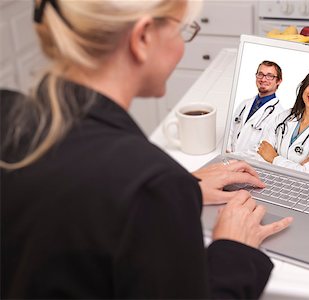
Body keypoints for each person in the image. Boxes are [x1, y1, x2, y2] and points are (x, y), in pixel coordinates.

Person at [0, 0, 292, 298]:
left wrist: (179, 190)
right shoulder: (152, 184)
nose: (181, 46)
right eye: (181, 31)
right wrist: (234, 250)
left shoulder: (6, 113)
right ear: (142, 37)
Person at [257, 64, 309, 179]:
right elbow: (260, 153)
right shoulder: (284, 117)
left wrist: (274, 158)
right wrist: (298, 167)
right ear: (304, 86)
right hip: (270, 185)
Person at [228, 60, 284, 154]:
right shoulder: (244, 104)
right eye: (260, 74)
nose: (263, 79)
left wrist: (235, 157)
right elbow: (230, 131)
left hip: (249, 164)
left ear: (278, 81)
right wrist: (228, 151)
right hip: (228, 158)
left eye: (269, 76)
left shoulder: (279, 115)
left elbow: (263, 150)